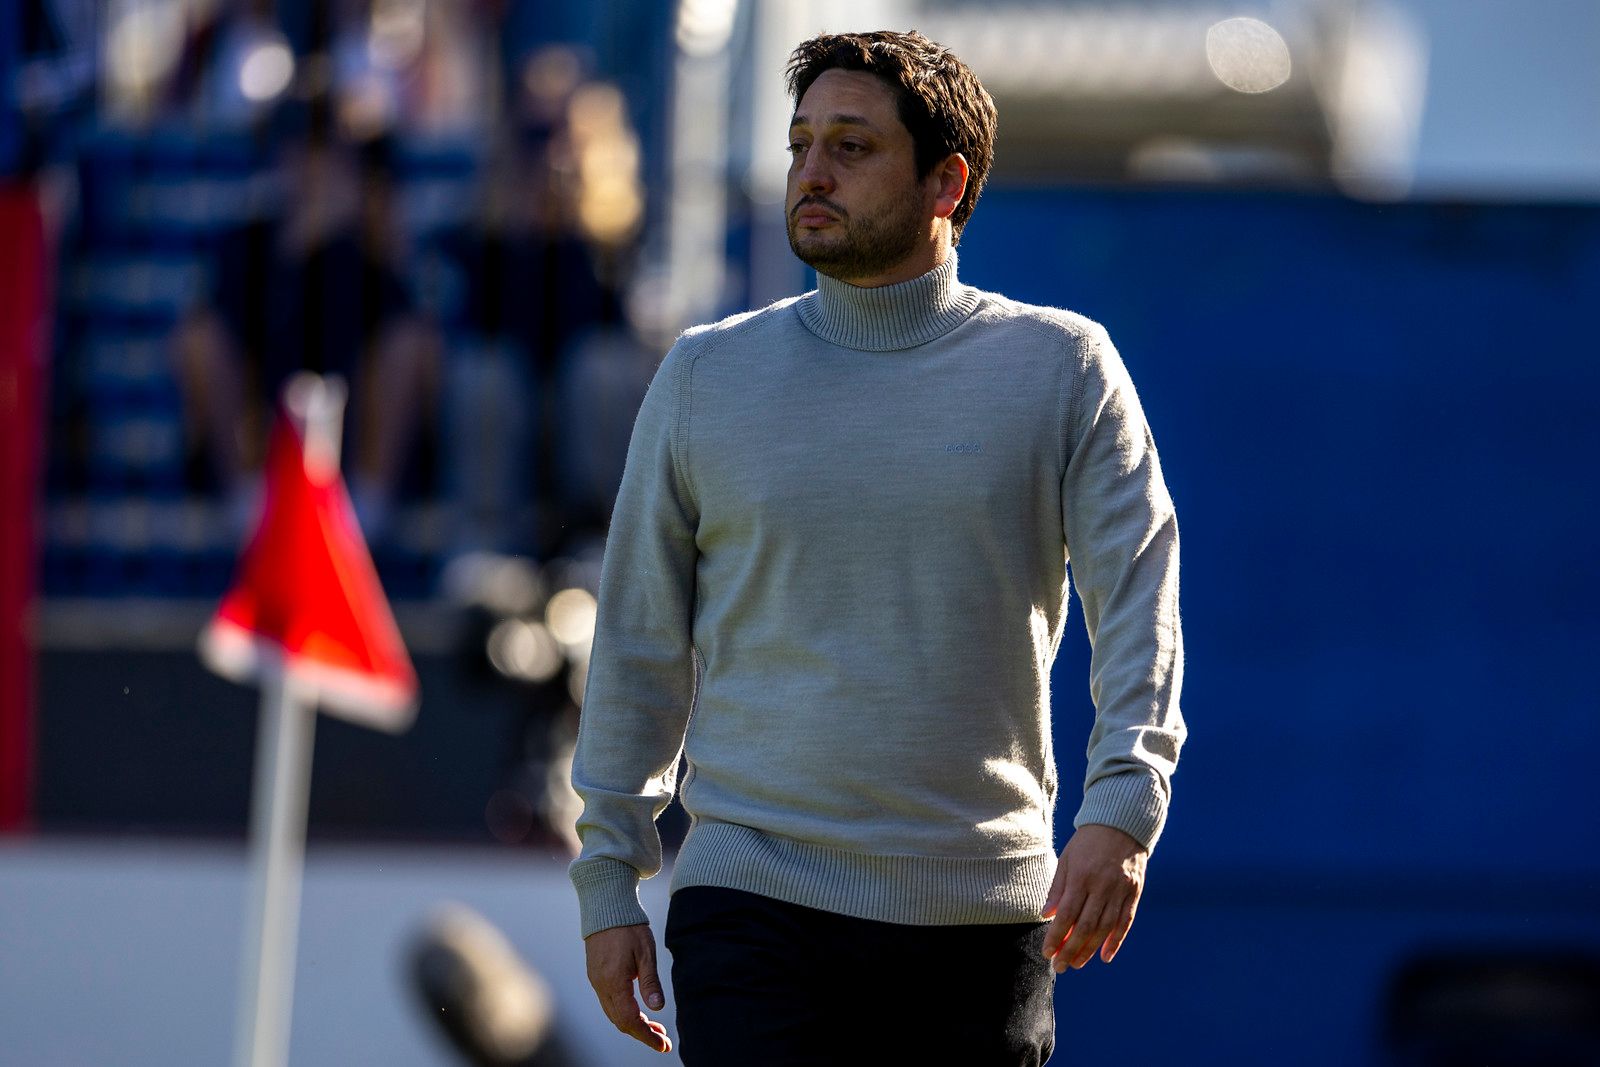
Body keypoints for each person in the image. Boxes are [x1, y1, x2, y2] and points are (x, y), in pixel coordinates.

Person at [570, 30, 1184, 1065]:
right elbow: (637, 642)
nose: (812, 171)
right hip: (749, 905)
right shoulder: (704, 376)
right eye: (800, 143)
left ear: (947, 182)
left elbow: (1139, 601)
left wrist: (1125, 805)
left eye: (851, 146)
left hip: (978, 919)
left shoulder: (1064, 367)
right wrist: (607, 877)